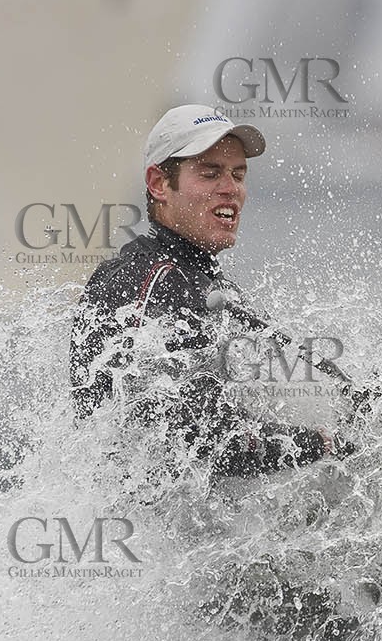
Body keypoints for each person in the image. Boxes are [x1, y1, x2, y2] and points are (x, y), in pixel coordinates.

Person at [70, 104, 353, 477]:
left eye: (238, 174)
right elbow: (199, 435)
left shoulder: (205, 282)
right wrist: (326, 443)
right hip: (143, 525)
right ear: (158, 184)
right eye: (210, 174)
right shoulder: (154, 281)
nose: (230, 189)